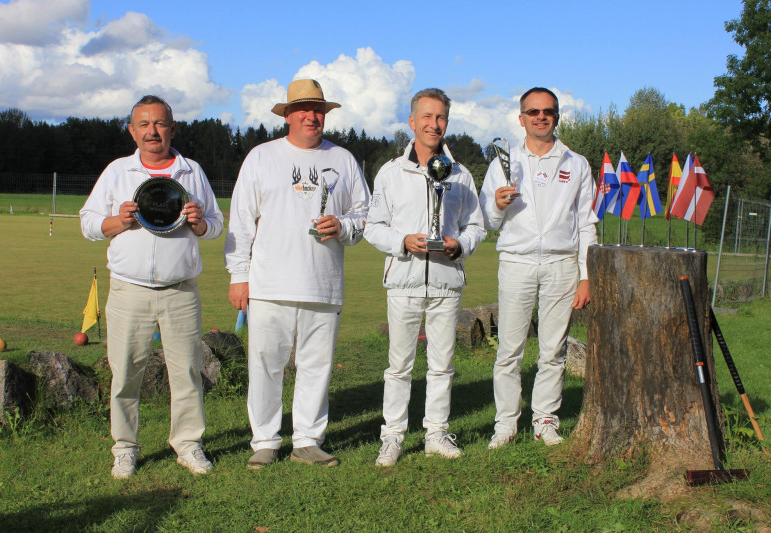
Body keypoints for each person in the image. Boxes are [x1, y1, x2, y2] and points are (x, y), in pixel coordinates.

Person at [225, 79, 370, 469]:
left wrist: (341, 226)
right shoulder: (261, 156)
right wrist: (239, 275)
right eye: (303, 109)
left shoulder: (343, 159)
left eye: (318, 109)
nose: (312, 116)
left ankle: (307, 439)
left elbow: (366, 215)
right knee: (265, 365)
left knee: (316, 366)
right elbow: (241, 220)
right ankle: (266, 440)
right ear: (287, 114)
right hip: (269, 283)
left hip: (323, 283)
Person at [80, 95, 224, 479]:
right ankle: (125, 448)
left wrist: (201, 223)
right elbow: (88, 223)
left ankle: (188, 445)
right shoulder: (117, 172)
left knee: (187, 373)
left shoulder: (191, 171)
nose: (152, 131)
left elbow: (216, 222)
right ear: (132, 130)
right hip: (129, 290)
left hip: (181, 291)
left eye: (159, 124)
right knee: (125, 373)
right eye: (143, 124)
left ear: (172, 129)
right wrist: (117, 221)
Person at [364, 88, 485, 467]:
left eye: (441, 118)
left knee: (442, 365)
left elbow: (476, 226)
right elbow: (372, 227)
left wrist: (458, 245)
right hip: (404, 280)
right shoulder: (391, 172)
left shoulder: (461, 174)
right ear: (412, 122)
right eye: (428, 117)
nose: (435, 125)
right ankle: (393, 436)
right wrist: (402, 240)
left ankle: (436, 432)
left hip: (447, 281)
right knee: (399, 366)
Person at [479, 87, 598, 449]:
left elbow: (586, 224)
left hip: (562, 265)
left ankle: (545, 419)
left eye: (548, 111)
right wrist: (498, 205)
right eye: (533, 112)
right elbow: (486, 219)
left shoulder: (576, 163)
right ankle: (506, 423)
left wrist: (587, 275)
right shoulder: (505, 162)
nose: (541, 117)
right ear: (522, 118)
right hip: (517, 261)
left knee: (554, 349)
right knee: (509, 350)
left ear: (557, 116)